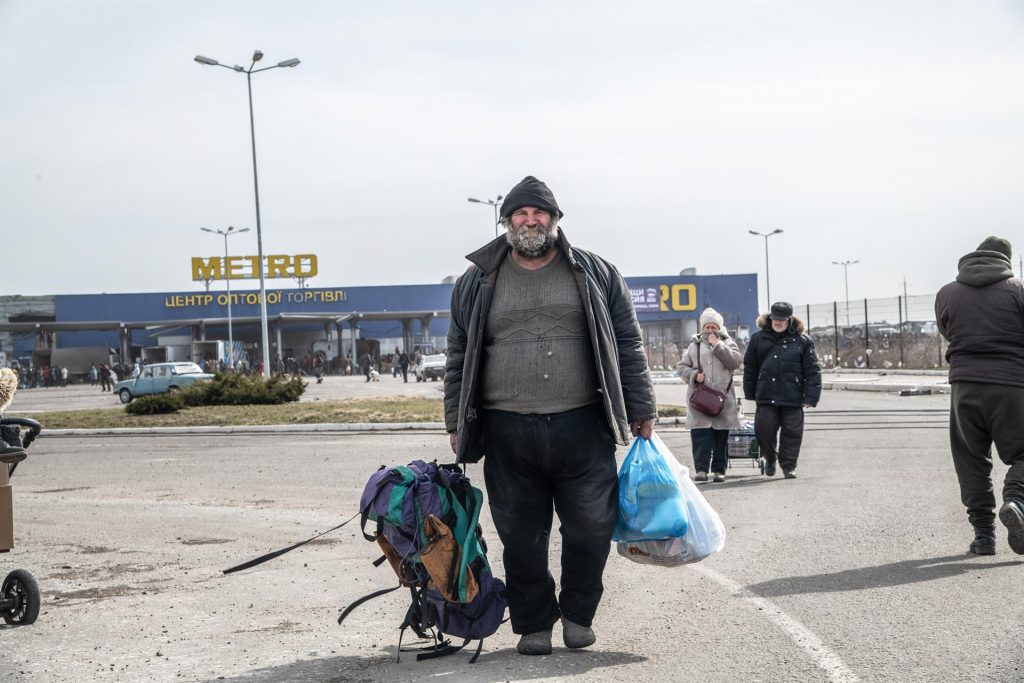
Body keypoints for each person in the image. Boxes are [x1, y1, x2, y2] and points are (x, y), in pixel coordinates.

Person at [444, 175, 657, 656]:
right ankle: (534, 624)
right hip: (507, 429)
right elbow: (459, 354)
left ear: (555, 220)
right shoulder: (477, 280)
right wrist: (456, 421)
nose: (530, 221)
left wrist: (642, 406)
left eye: (539, 213)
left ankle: (579, 616)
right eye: (521, 213)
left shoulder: (595, 271)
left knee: (591, 528)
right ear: (507, 221)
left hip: (582, 425)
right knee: (520, 537)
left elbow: (628, 342)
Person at [935, 236, 1024, 556]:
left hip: (964, 385)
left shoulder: (947, 293)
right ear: (1006, 261)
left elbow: (947, 331)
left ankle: (984, 535)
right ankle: (1017, 500)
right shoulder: (1018, 290)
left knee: (970, 459)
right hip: (1012, 385)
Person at [742, 301, 821, 479]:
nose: (778, 322)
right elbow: (750, 367)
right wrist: (750, 391)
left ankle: (788, 466)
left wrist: (811, 396)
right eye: (775, 318)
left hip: (793, 395)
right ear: (770, 318)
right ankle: (770, 458)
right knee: (763, 431)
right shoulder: (758, 338)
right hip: (766, 394)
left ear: (789, 319)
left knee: (792, 433)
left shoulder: (803, 341)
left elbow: (812, 370)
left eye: (782, 319)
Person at [676, 307, 742, 483]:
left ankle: (719, 470)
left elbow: (735, 362)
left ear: (719, 328)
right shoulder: (694, 345)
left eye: (713, 327)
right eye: (707, 327)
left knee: (721, 437)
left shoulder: (728, 343)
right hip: (700, 399)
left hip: (723, 400)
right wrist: (693, 375)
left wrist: (718, 345)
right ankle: (701, 470)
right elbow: (681, 367)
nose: (710, 330)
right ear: (702, 327)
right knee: (700, 436)